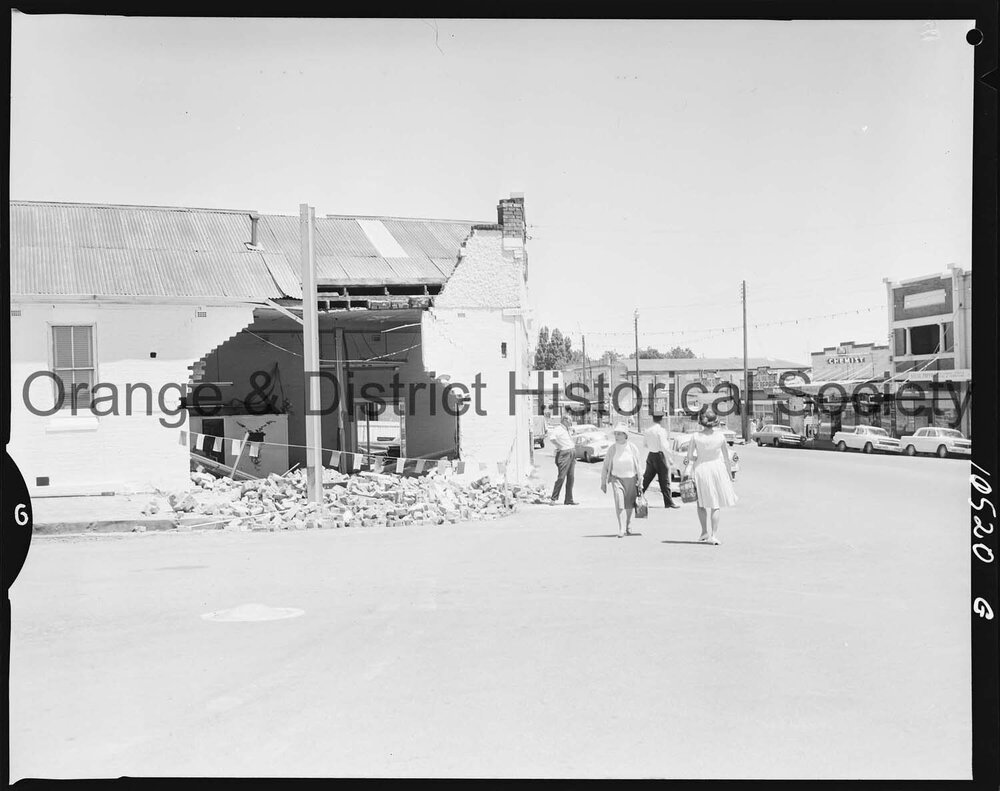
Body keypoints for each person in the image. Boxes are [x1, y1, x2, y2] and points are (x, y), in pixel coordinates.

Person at [684, 408, 738, 545]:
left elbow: (690, 456)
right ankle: (714, 535)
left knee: (701, 502)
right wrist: (730, 475)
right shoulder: (720, 437)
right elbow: (726, 458)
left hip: (701, 468)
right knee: (715, 504)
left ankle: (704, 532)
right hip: (717, 468)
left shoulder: (695, 436)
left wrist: (698, 457)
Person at [601, 423, 643, 537]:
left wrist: (641, 480)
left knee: (629, 505)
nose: (617, 436)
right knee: (619, 503)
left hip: (631, 479)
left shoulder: (632, 448)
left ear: (625, 435)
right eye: (616, 434)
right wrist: (603, 482)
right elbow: (605, 466)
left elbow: (638, 464)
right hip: (616, 479)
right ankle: (621, 528)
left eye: (619, 434)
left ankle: (628, 524)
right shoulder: (612, 449)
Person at [642, 413, 680, 509]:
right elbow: (664, 446)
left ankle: (636, 498)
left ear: (653, 419)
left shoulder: (648, 431)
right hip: (660, 456)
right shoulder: (661, 431)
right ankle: (668, 502)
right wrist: (670, 458)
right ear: (662, 420)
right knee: (664, 480)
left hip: (651, 455)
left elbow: (645, 444)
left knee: (646, 479)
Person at [548, 415, 579, 506]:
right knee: (561, 477)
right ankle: (553, 499)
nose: (571, 422)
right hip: (564, 454)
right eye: (570, 420)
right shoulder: (558, 429)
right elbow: (552, 438)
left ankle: (569, 499)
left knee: (571, 477)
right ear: (565, 420)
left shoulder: (567, 429)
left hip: (571, 453)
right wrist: (559, 446)